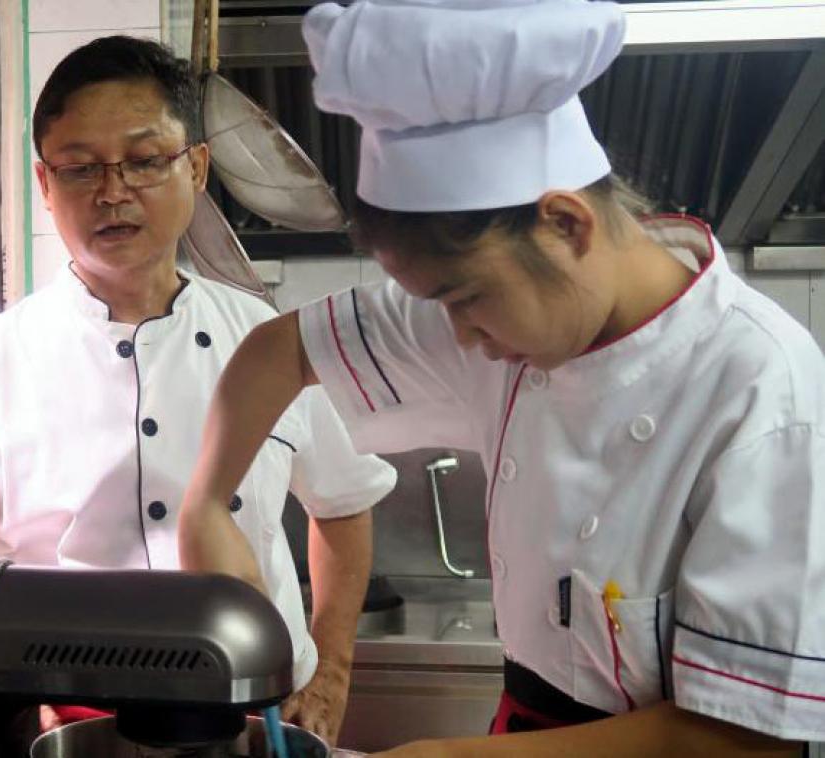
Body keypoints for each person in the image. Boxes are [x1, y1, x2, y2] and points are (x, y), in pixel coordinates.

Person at [178, 1, 825, 755]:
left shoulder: (759, 388)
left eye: (467, 301)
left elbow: (746, 739)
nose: (459, 339)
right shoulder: (508, 305)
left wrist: (449, 755)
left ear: (567, 225)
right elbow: (273, 353)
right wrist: (205, 507)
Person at [0, 35, 398, 744]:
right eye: (80, 169)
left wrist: (332, 670)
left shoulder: (264, 342)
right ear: (45, 186)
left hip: (255, 719)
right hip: (78, 729)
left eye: (145, 161)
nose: (113, 192)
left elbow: (346, 504)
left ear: (197, 167)